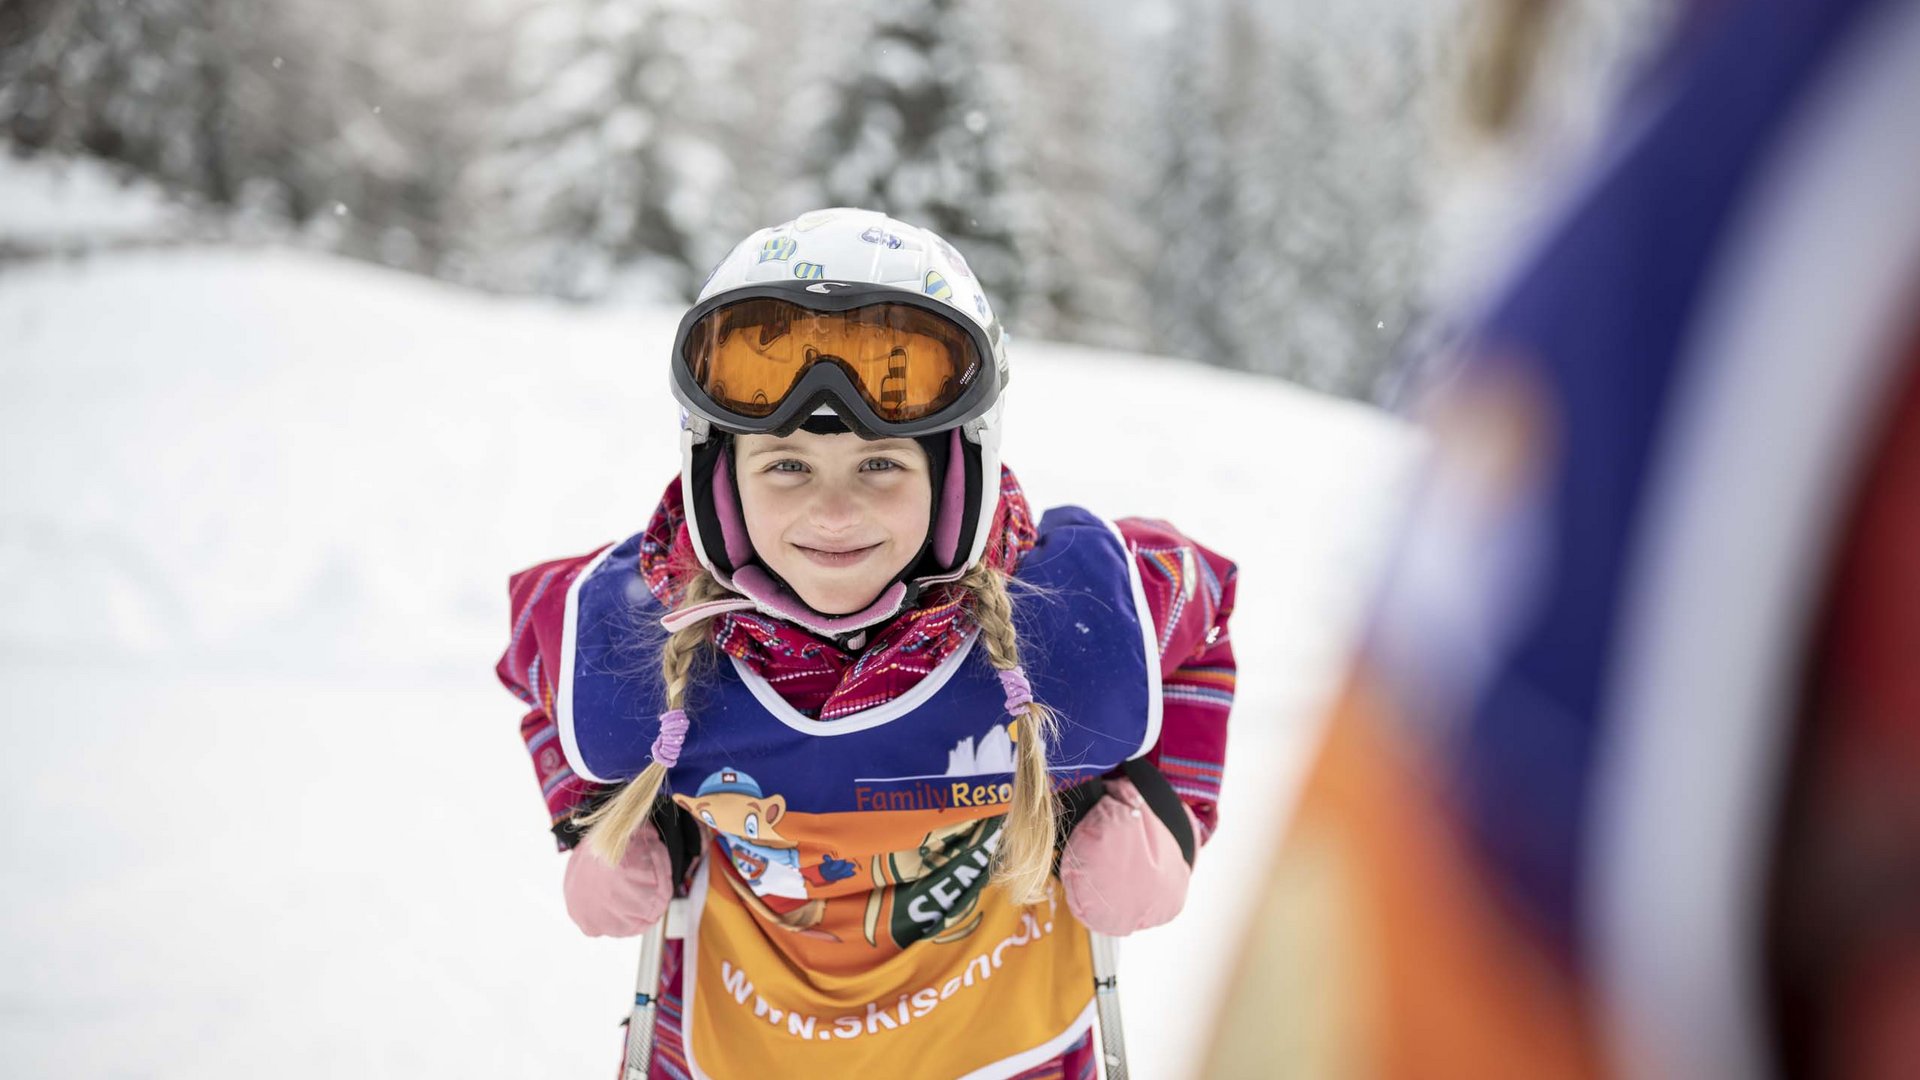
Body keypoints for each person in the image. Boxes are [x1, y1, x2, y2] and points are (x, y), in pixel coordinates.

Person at [496, 208, 1239, 1078]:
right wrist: (592, 824)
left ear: (957, 475)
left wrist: (1165, 814)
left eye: (881, 464)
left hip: (1003, 1045)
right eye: (786, 467)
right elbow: (531, 659)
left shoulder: (1066, 619)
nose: (833, 513)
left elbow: (1207, 615)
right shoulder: (645, 636)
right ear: (720, 483)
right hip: (741, 1042)